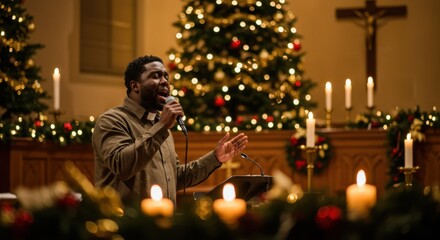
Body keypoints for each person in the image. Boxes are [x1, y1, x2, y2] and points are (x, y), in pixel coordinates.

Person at [92, 55, 248, 207]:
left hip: (162, 225)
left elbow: (176, 178)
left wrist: (215, 158)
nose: (165, 81)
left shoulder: (160, 125)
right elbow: (121, 166)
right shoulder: (112, 120)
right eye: (156, 76)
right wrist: (162, 126)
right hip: (125, 226)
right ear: (135, 86)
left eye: (166, 77)